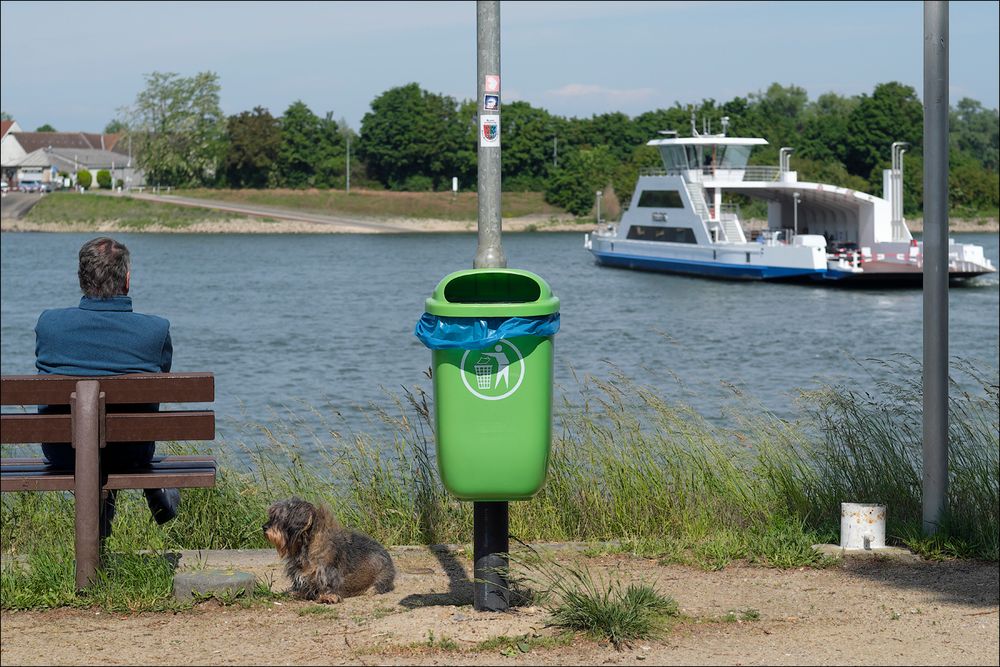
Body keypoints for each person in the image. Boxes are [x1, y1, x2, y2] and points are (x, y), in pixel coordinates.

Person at [34, 237, 179, 537]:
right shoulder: (155, 330)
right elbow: (160, 379)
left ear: (81, 279)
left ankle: (98, 548)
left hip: (63, 451)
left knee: (94, 436)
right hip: (132, 452)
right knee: (116, 433)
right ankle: (153, 491)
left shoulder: (49, 324)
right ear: (126, 280)